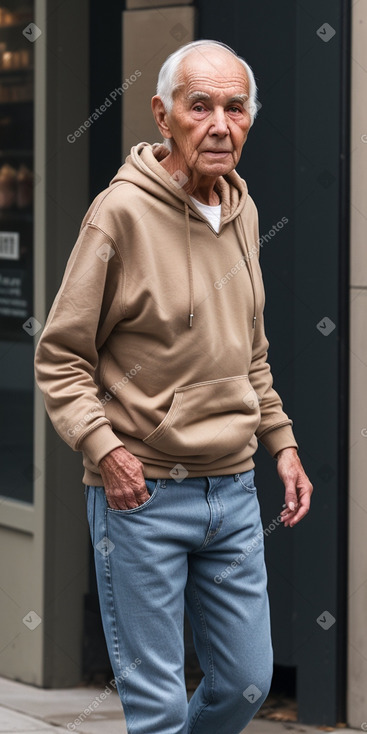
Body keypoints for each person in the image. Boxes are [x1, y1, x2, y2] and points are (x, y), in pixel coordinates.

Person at [34, 39, 313, 734]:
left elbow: (249, 349)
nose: (220, 123)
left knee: (245, 684)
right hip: (142, 494)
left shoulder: (243, 211)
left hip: (233, 488)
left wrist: (280, 443)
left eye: (235, 107)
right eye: (200, 106)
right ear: (162, 115)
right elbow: (60, 355)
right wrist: (105, 448)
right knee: (155, 707)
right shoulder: (119, 214)